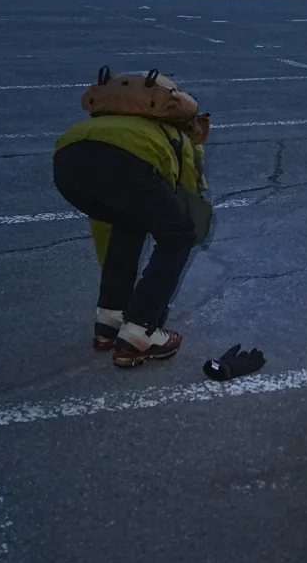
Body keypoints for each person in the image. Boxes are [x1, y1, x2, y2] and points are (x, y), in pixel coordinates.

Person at [53, 75, 209, 367]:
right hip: (126, 161)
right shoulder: (175, 135)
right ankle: (141, 330)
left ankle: (109, 320)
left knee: (127, 221)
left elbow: (106, 225)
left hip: (67, 158)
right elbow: (188, 193)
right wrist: (192, 228)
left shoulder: (116, 122)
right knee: (178, 236)